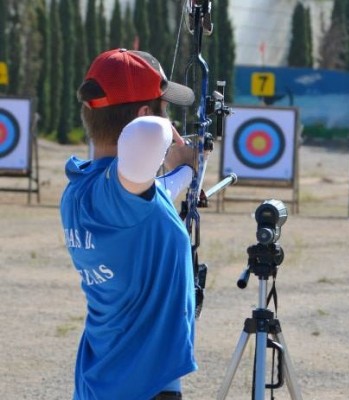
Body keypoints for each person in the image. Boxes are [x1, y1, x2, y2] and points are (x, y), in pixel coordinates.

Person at [60, 48, 199, 400]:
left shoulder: (81, 188)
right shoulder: (117, 197)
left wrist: (187, 169)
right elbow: (149, 134)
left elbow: (156, 195)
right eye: (165, 110)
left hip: (104, 380)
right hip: (142, 388)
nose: (171, 120)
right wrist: (169, 137)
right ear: (144, 114)